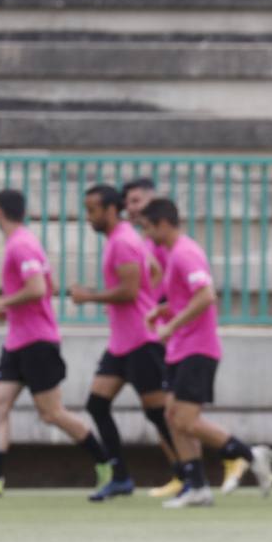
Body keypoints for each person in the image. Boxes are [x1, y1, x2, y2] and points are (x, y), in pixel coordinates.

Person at [0, 189, 111, 497]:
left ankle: (106, 461)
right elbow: (47, 286)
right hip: (18, 341)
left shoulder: (22, 245)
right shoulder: (23, 242)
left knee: (52, 413)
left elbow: (38, 288)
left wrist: (0, 300)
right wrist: (10, 309)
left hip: (37, 342)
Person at [142, 197, 272, 507]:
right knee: (172, 416)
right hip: (182, 349)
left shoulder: (186, 253)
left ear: (163, 224)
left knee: (185, 420)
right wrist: (162, 311)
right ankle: (197, 485)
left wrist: (170, 325)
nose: (146, 235)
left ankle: (249, 454)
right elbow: (186, 298)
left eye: (148, 227)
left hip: (197, 349)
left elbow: (205, 297)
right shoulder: (176, 254)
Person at [70, 184, 166, 502]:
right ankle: (122, 477)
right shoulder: (124, 238)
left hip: (139, 341)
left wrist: (89, 297)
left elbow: (128, 290)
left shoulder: (122, 241)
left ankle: (192, 472)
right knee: (97, 404)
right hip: (123, 343)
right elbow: (153, 270)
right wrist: (147, 300)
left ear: (111, 210)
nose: (88, 217)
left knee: (159, 414)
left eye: (93, 210)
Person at [119, 177, 186, 498]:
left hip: (156, 332)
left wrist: (157, 304)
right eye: (128, 202)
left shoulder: (162, 240)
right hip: (142, 330)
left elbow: (163, 275)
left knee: (169, 408)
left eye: (135, 201)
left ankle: (230, 455)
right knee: (159, 408)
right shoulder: (144, 237)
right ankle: (183, 471)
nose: (130, 208)